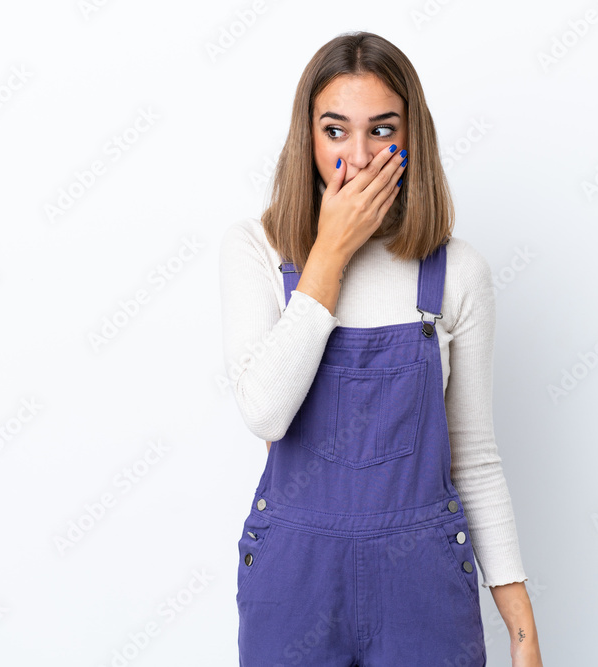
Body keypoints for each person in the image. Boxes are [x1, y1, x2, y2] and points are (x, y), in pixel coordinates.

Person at [220, 30, 543, 666]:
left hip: (422, 583)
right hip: (296, 582)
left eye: (382, 130)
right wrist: (331, 251)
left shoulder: (455, 273)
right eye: (335, 131)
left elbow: (473, 459)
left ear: (411, 138)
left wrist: (524, 634)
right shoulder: (256, 250)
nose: (359, 157)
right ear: (307, 136)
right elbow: (265, 412)